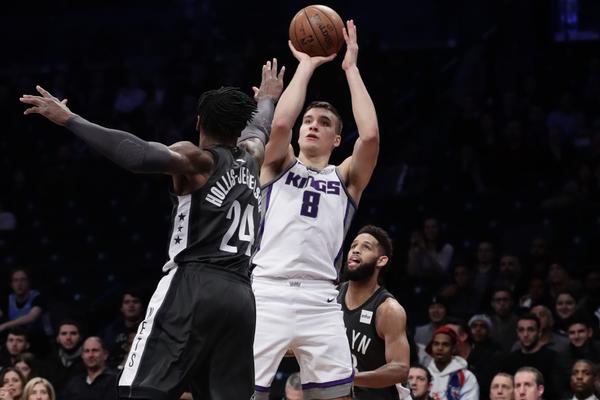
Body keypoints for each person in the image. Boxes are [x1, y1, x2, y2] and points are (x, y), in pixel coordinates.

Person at [20, 57, 285, 400]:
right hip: (240, 296)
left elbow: (138, 155)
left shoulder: (198, 160)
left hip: (193, 285)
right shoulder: (252, 156)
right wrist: (267, 98)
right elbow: (260, 128)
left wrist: (71, 119)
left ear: (199, 122)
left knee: (143, 390)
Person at [251, 20, 379, 400]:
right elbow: (280, 124)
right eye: (308, 120)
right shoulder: (278, 165)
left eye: (323, 123)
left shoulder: (346, 178)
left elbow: (370, 137)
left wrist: (350, 69)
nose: (312, 126)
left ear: (337, 139)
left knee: (337, 396)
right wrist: (305, 66)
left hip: (321, 298)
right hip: (267, 291)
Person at [338, 225, 410, 399]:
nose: (356, 250)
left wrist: (351, 379)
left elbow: (400, 369)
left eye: (366, 247)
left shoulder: (388, 309)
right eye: (353, 245)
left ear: (381, 261)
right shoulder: (332, 296)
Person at [425, 325, 479, 399]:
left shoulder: (466, 376)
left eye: (445, 344)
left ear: (453, 348)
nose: (440, 348)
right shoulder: (423, 374)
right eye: (436, 344)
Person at [101, 288, 145, 368]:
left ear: (142, 306)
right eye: (127, 302)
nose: (131, 305)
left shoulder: (150, 328)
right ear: (121, 308)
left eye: (135, 301)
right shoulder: (112, 331)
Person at [40, 319, 85, 394]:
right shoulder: (48, 362)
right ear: (57, 338)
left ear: (80, 337)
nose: (68, 338)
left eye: (73, 333)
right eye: (64, 334)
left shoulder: (87, 361)